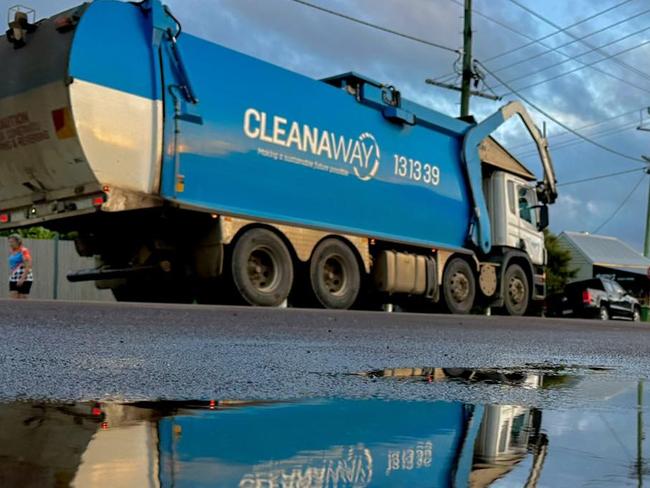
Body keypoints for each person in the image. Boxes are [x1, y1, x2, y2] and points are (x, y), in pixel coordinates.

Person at [8, 234, 33, 299]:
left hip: (24, 277)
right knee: (13, 298)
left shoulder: (23, 250)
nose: (10, 244)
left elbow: (29, 265)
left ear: (18, 242)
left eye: (12, 242)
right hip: (14, 277)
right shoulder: (12, 251)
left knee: (22, 300)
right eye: (9, 242)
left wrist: (22, 278)